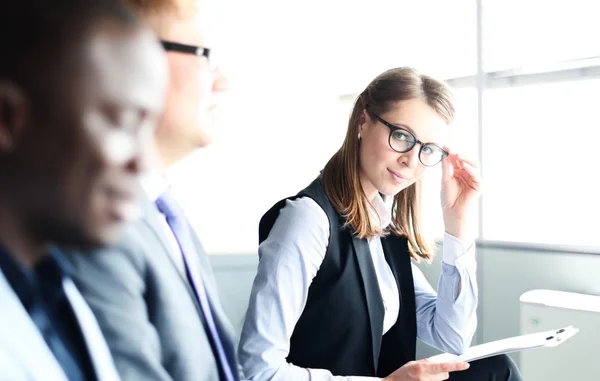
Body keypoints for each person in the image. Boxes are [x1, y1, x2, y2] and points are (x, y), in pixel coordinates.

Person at [239, 67, 523, 381]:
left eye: (427, 149)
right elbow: (257, 371)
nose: (411, 160)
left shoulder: (381, 228)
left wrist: (459, 225)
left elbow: (452, 337)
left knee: (497, 370)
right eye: (402, 136)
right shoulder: (307, 219)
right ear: (363, 121)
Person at [67, 0, 236, 380]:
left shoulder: (171, 217)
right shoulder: (102, 225)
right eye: (205, 56)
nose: (222, 81)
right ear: (138, 59)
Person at [0, 0, 168, 380]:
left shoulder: (54, 290)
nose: (143, 162)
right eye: (124, 122)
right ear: (8, 118)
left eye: (150, 128)